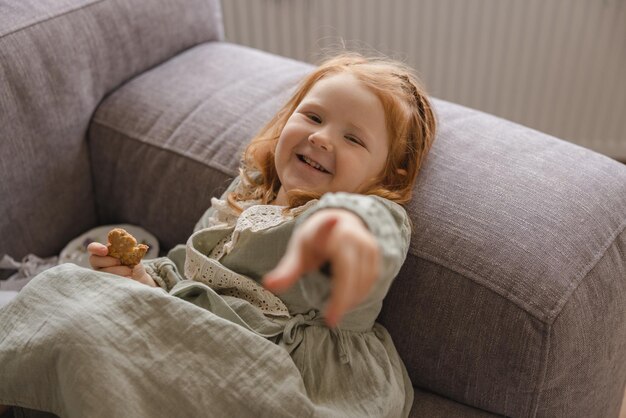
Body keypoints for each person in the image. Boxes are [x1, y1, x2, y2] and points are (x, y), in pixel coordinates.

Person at [0, 52, 436, 417]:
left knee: (84, 330)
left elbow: (375, 241)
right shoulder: (246, 194)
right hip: (191, 331)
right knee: (69, 288)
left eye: (352, 139)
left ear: (389, 174)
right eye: (313, 116)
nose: (321, 138)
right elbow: (186, 272)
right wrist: (142, 278)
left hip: (282, 368)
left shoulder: (370, 217)